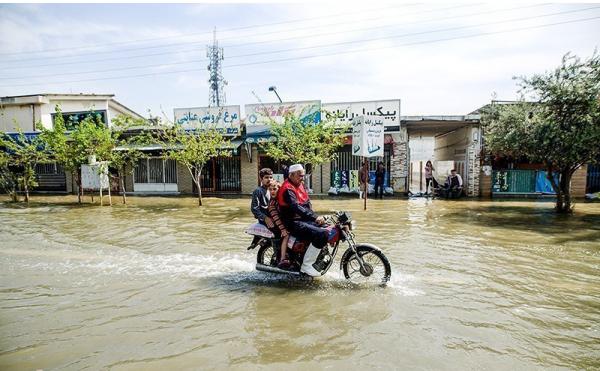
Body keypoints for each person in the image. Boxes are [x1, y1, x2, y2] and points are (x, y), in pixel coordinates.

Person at [277, 163, 328, 277]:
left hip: (303, 219)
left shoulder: (300, 184)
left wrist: (317, 217)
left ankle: (318, 257)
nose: (302, 178)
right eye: (300, 175)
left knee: (327, 228)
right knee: (321, 234)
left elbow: (307, 204)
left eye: (303, 175)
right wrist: (315, 217)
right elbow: (296, 207)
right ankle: (306, 265)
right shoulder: (287, 189)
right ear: (292, 175)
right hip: (292, 222)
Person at [266, 180, 291, 270]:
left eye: (274, 189)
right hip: (275, 224)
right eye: (270, 189)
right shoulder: (272, 203)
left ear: (279, 189)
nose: (272, 191)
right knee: (286, 235)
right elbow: (276, 219)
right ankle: (282, 258)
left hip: (282, 222)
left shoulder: (281, 199)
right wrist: (283, 230)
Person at [248, 168, 273, 249]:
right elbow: (254, 209)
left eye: (270, 177)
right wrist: (265, 218)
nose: (269, 179)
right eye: (266, 177)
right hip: (265, 220)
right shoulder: (258, 191)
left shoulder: (272, 189)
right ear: (261, 179)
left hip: (274, 217)